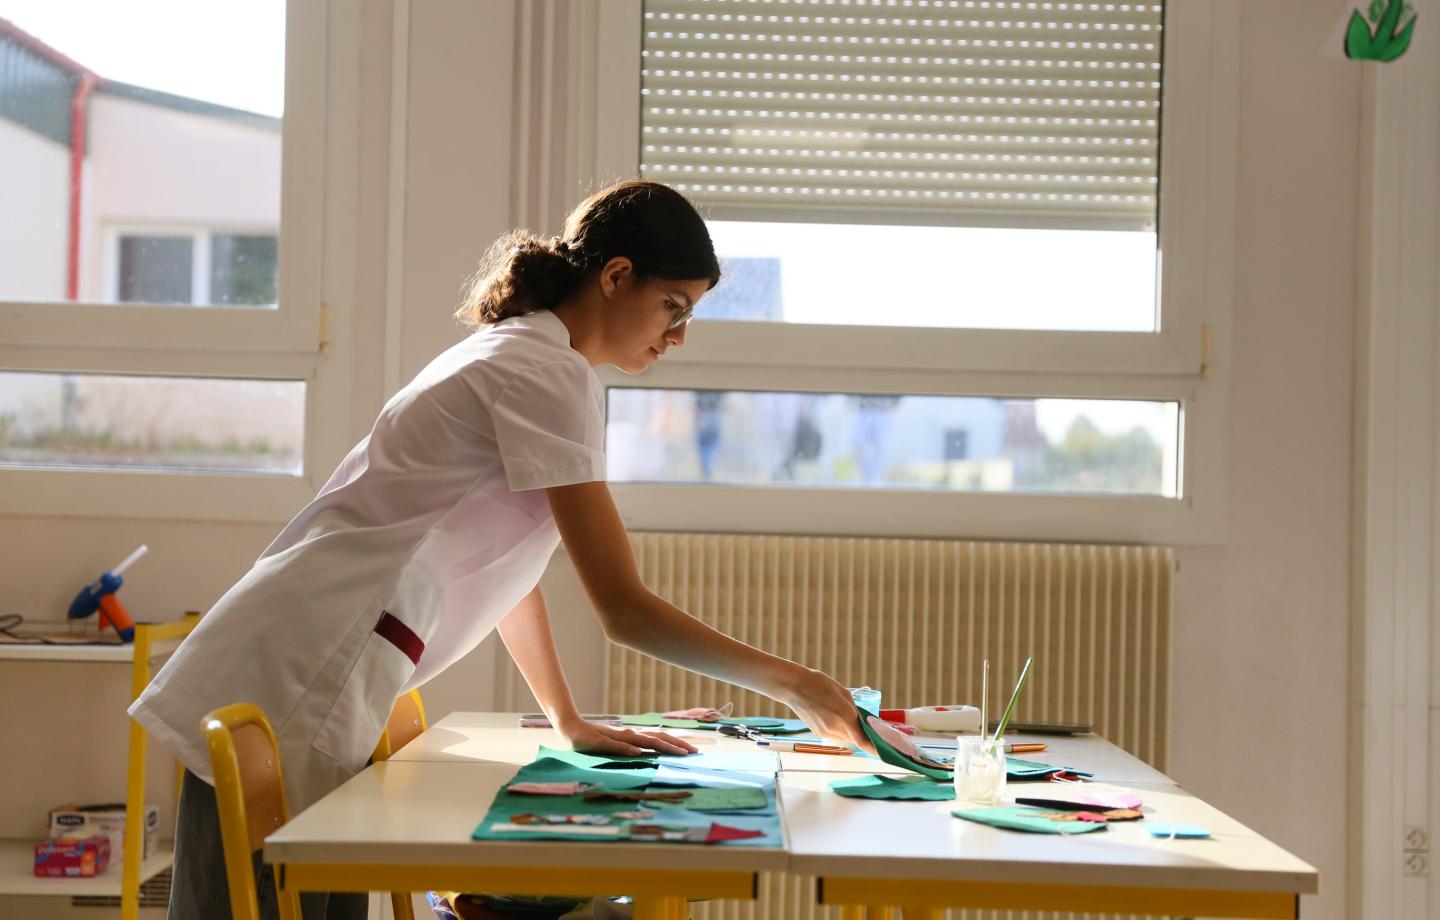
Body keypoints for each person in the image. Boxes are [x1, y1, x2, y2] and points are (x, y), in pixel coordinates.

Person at [129, 180, 873, 920]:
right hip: (297, 672)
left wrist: (567, 716)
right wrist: (795, 684)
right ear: (616, 277)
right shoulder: (545, 373)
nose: (677, 336)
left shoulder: (530, 358)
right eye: (673, 307)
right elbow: (624, 611)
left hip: (305, 665)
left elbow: (508, 572)